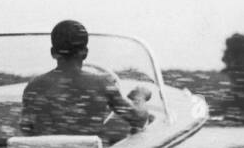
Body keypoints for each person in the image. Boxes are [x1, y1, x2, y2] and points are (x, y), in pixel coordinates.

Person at [20, 20, 150, 141]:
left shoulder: (33, 86)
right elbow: (138, 119)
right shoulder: (102, 84)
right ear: (85, 52)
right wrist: (140, 95)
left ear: (53, 52)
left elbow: (26, 129)